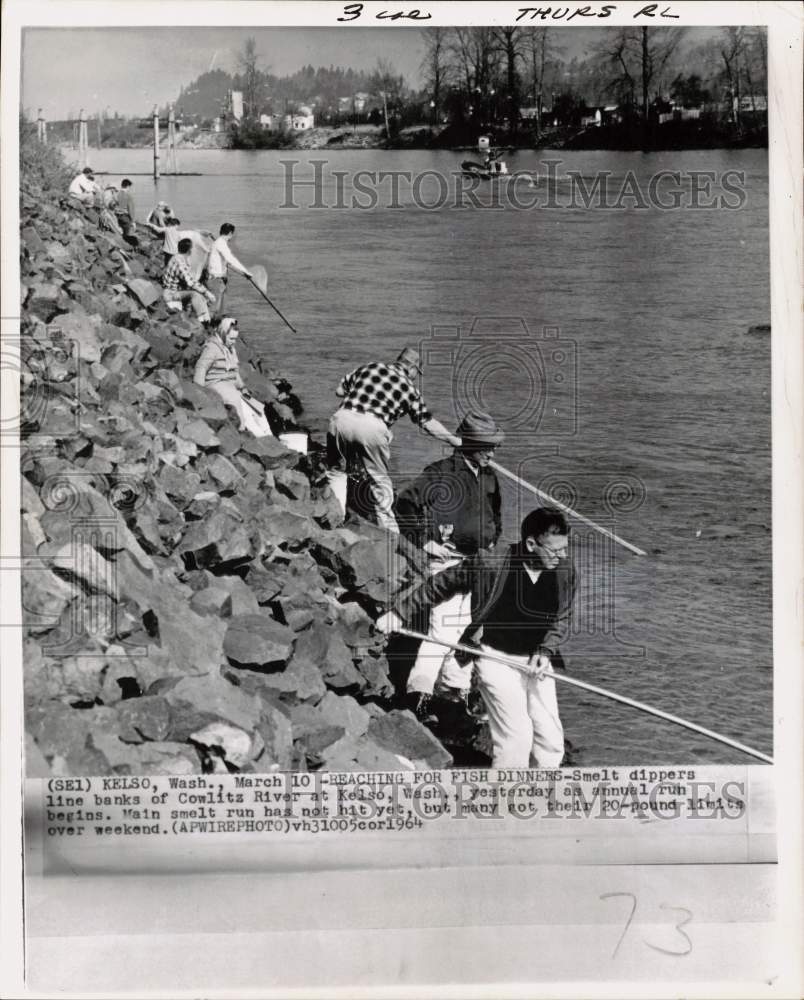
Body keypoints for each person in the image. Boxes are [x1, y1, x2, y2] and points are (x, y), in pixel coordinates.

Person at [376, 508, 577, 768]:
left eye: (565, 549)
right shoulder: (489, 563)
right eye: (554, 550)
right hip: (493, 657)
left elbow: (563, 618)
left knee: (550, 739)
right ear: (530, 544)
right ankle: (506, 800)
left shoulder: (565, 571)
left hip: (536, 661)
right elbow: (439, 584)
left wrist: (546, 650)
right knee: (516, 737)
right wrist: (399, 614)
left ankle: (543, 796)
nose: (561, 556)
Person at [394, 411, 504, 715]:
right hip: (447, 561)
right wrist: (423, 541)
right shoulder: (440, 472)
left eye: (494, 447)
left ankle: (455, 692)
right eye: (487, 447)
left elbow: (496, 514)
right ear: (469, 444)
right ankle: (418, 694)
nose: (492, 453)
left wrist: (493, 536)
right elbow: (404, 503)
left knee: (472, 628)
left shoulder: (490, 476)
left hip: (479, 563)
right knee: (442, 629)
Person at [327, 346, 461, 534]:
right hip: (372, 428)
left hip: (340, 420)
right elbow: (427, 422)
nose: (415, 376)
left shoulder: (370, 367)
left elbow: (339, 391)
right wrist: (454, 440)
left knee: (337, 472)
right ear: (412, 369)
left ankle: (335, 519)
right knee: (379, 481)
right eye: (417, 373)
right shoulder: (410, 389)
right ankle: (390, 533)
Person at [193, 316, 272, 437]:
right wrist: (199, 391)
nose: (233, 341)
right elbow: (201, 368)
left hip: (229, 385)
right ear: (223, 333)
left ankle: (269, 435)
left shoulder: (231, 349)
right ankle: (245, 431)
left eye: (235, 339)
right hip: (215, 383)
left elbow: (234, 371)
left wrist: (242, 386)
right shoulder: (212, 348)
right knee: (237, 403)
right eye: (231, 338)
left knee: (256, 407)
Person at [161, 237, 215, 323]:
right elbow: (191, 282)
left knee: (199, 296)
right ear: (189, 250)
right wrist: (207, 292)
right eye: (192, 248)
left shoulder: (176, 257)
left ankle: (201, 319)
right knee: (195, 294)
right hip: (171, 294)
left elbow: (188, 280)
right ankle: (204, 321)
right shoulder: (179, 263)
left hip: (171, 291)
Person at [206, 223, 252, 314]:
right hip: (216, 279)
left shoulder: (218, 243)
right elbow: (231, 260)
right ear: (231, 233)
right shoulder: (221, 244)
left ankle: (215, 324)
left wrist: (243, 274)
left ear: (220, 232)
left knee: (219, 309)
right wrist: (245, 271)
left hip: (218, 279)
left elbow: (227, 263)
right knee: (214, 308)